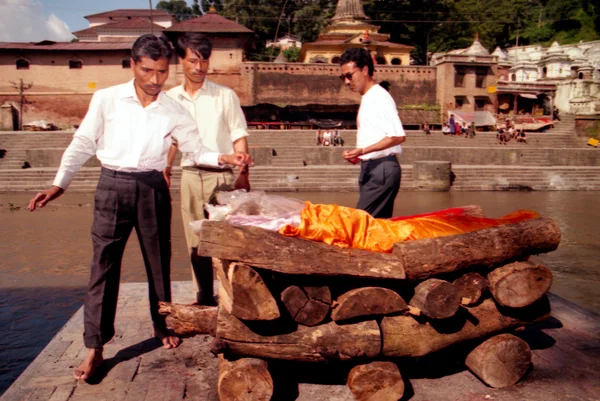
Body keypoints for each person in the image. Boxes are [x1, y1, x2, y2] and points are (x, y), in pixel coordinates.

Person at [27, 34, 252, 381]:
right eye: (147, 70)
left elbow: (196, 152)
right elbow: (83, 141)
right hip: (111, 186)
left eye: (162, 72)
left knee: (158, 263)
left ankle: (163, 327)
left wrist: (224, 157)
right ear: (132, 64)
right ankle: (96, 347)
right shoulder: (107, 99)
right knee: (103, 268)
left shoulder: (174, 109)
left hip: (152, 187)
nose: (154, 80)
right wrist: (60, 183)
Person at [165, 33, 251, 306]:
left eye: (204, 61)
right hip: (190, 175)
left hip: (222, 177)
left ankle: (231, 298)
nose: (199, 67)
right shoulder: (170, 99)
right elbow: (171, 140)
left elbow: (239, 134)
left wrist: (244, 175)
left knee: (225, 239)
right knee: (195, 242)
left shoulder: (224, 96)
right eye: (193, 61)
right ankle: (203, 297)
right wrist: (165, 170)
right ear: (181, 61)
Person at [338, 48, 406, 218]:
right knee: (376, 226)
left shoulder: (378, 96)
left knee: (361, 223)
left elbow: (397, 136)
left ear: (365, 70)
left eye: (349, 75)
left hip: (381, 168)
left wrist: (362, 151)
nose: (347, 82)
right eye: (343, 77)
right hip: (372, 167)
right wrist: (360, 155)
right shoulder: (368, 98)